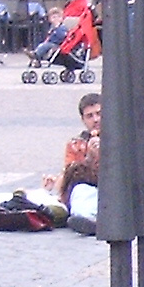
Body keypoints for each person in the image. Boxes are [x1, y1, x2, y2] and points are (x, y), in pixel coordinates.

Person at [43, 92, 100, 234]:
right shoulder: (76, 144)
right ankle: (88, 221)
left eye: (99, 114)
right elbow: (69, 176)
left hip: (114, 189)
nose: (96, 119)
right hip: (89, 190)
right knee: (80, 192)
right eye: (90, 116)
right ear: (83, 120)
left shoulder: (120, 137)